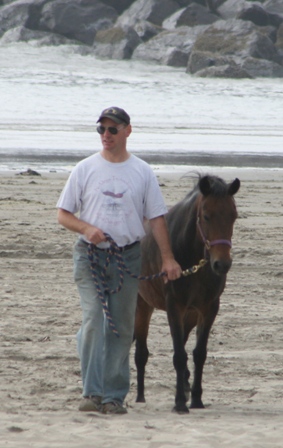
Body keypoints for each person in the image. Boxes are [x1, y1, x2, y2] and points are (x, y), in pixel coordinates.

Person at [56, 106, 182, 415]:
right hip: (89, 257)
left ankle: (114, 396)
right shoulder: (84, 169)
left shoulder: (142, 171)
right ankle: (91, 392)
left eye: (113, 129)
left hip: (127, 256)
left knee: (122, 328)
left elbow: (156, 217)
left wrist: (168, 259)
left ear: (128, 130)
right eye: (101, 129)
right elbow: (63, 214)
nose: (106, 135)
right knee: (94, 320)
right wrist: (87, 228)